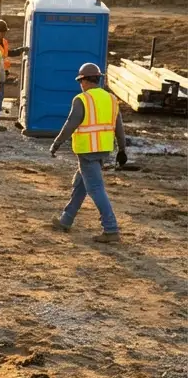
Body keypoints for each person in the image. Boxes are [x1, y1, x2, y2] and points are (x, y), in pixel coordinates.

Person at [49, 63, 126, 243]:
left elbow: (70, 124)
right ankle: (66, 220)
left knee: (96, 188)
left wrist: (57, 143)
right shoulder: (112, 99)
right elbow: (119, 127)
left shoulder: (82, 99)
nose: (80, 85)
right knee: (80, 184)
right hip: (103, 150)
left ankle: (111, 229)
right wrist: (122, 149)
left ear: (84, 80)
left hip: (87, 151)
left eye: (80, 81)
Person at [0, 19, 27, 131]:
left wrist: (21, 50)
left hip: (2, 75)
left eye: (4, 32)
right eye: (0, 32)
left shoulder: (3, 42)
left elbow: (7, 53)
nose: (2, 34)